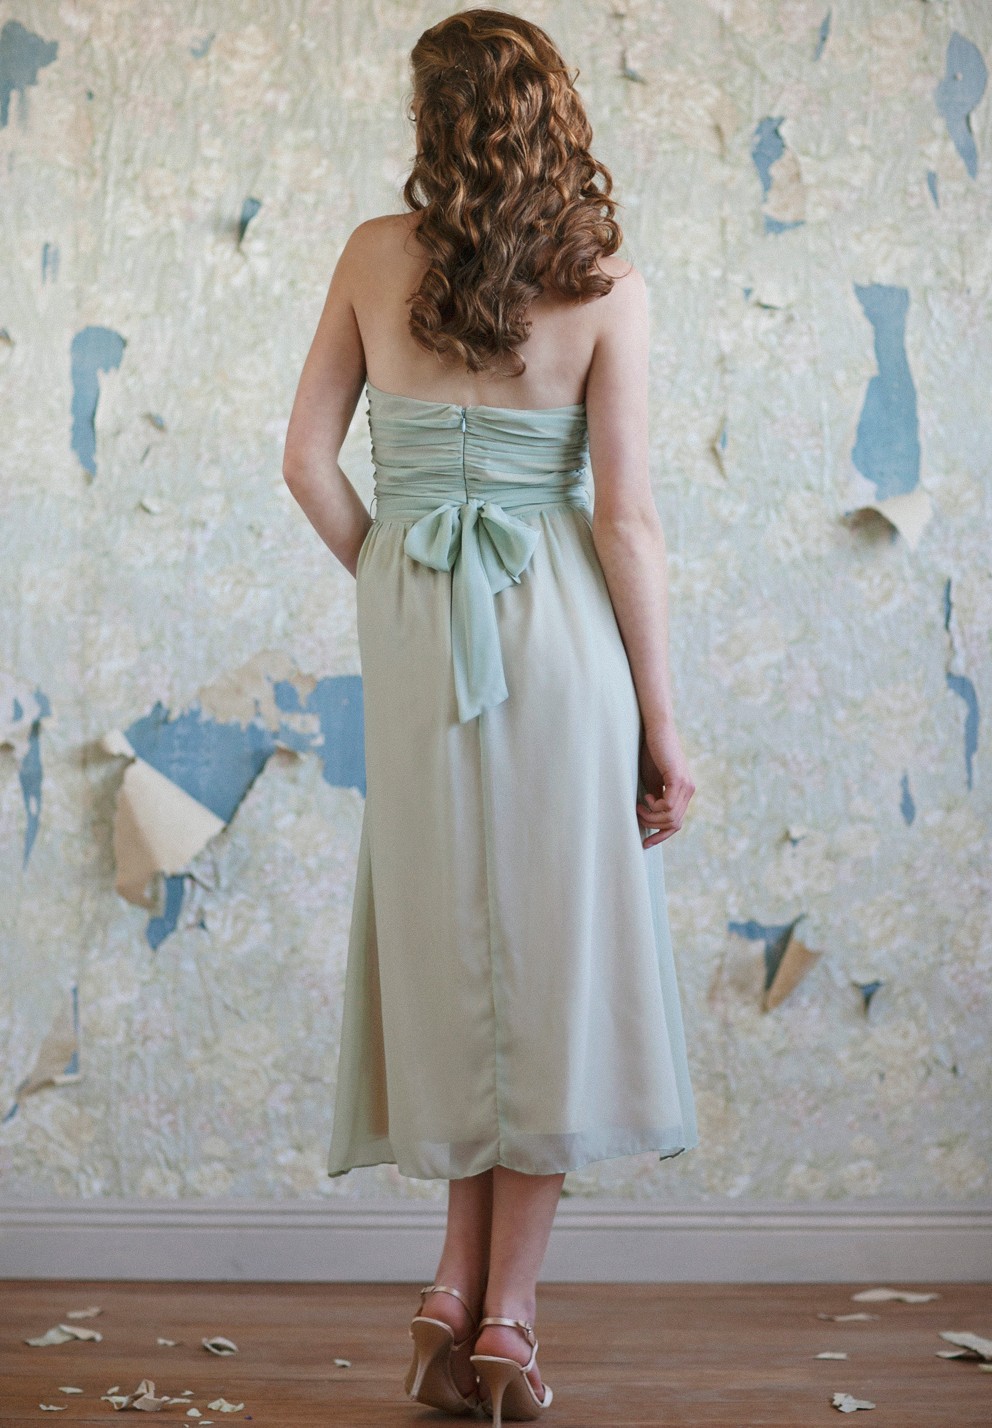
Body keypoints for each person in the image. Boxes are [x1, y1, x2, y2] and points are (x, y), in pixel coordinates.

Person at [282, 9, 698, 1424]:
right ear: (554, 116)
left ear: (431, 120)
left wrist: (393, 575)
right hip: (562, 635)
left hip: (415, 640)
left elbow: (306, 462)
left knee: (453, 951)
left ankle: (447, 1296)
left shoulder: (369, 256)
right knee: (552, 962)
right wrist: (662, 724)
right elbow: (626, 521)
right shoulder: (607, 284)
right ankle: (508, 1323)